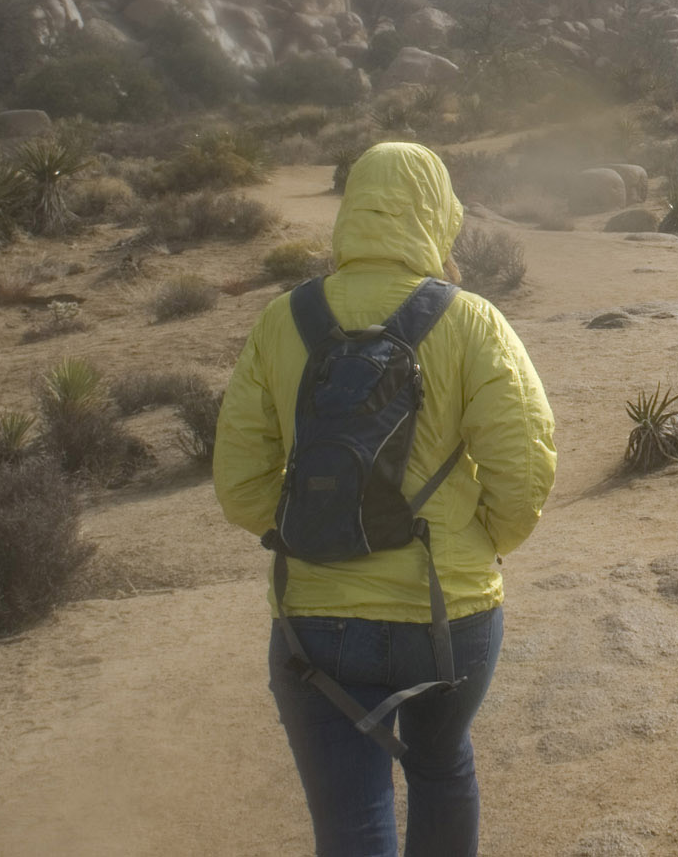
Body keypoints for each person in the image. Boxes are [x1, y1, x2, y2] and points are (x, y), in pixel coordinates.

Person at [215, 142, 556, 857]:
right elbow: (522, 470)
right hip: (448, 610)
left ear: (352, 212)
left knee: (351, 822)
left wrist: (314, 529)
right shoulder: (471, 321)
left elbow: (241, 487)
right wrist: (478, 539)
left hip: (314, 622)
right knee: (441, 769)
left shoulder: (283, 320)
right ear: (438, 215)